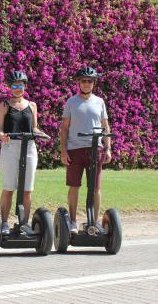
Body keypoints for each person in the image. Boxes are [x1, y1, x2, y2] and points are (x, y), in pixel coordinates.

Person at [59, 67, 112, 234]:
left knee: (95, 188)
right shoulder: (71, 102)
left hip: (95, 149)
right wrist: (63, 150)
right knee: (74, 186)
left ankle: (94, 222)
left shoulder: (100, 102)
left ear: (93, 83)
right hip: (75, 149)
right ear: (78, 83)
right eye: (84, 81)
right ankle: (73, 221)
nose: (87, 84)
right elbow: (65, 128)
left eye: (90, 81)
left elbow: (105, 126)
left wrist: (108, 148)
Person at [0, 70, 45, 235]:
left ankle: (24, 223)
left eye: (21, 85)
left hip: (29, 146)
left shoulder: (32, 106)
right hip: (11, 147)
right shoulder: (4, 106)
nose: (18, 88)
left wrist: (41, 134)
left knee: (27, 188)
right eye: (15, 85)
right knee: (9, 186)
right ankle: (4, 223)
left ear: (25, 86)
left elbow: (35, 126)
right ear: (10, 87)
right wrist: (2, 136)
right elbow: (0, 129)